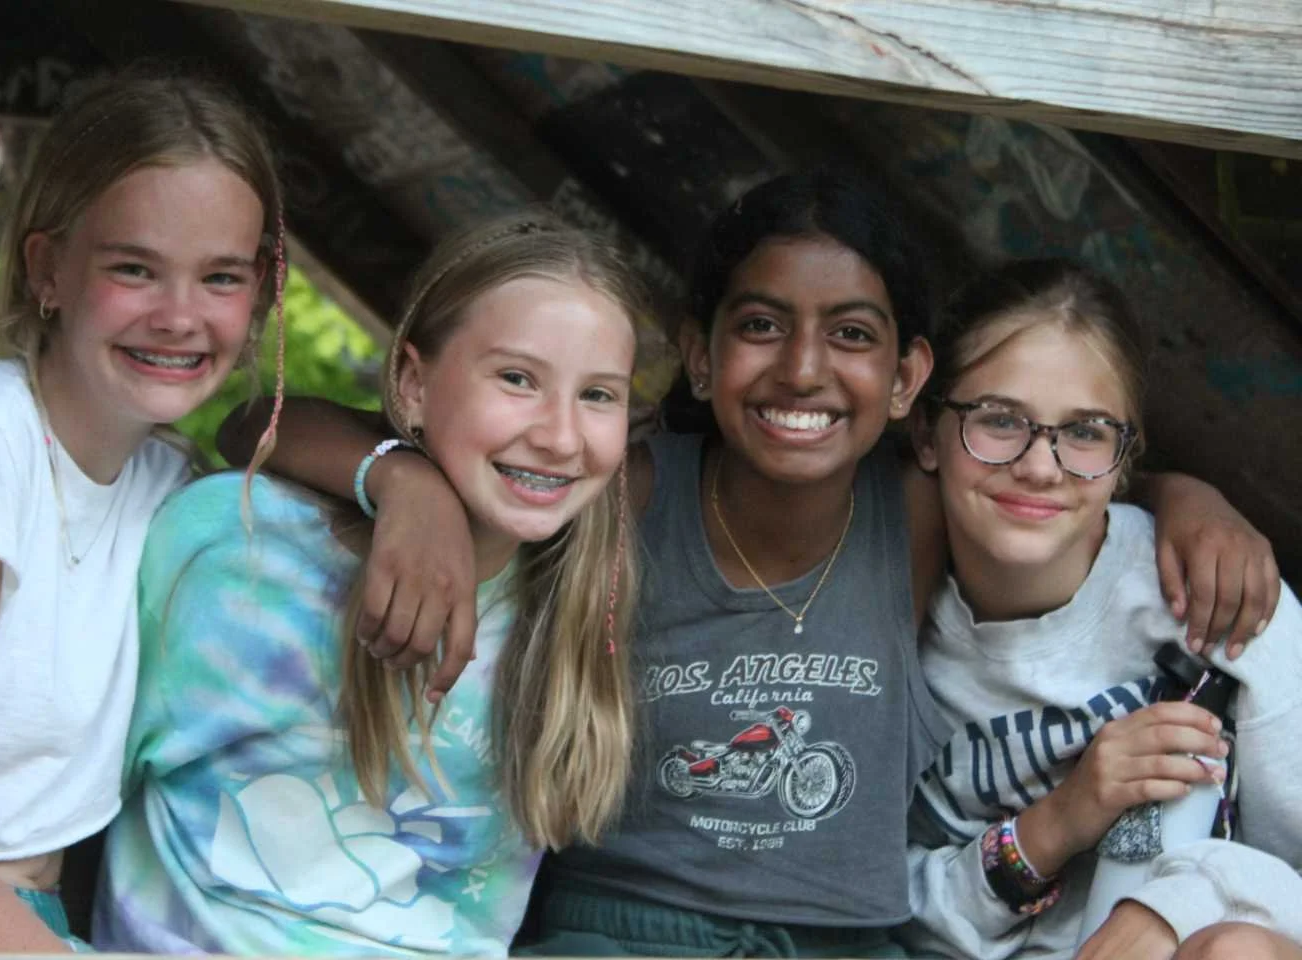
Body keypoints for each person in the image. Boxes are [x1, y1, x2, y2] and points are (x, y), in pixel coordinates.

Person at [219, 168, 1278, 958]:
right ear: (703, 350)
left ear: (910, 376)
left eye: (853, 335)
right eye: (763, 325)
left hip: (856, 945)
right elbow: (256, 425)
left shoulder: (911, 508)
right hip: (625, 934)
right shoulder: (625, 485)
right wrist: (405, 486)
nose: (804, 368)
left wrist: (1192, 496)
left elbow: (1057, 471)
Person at [91, 211, 645, 956]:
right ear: (413, 384)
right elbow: (66, 804)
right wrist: (403, 481)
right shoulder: (233, 547)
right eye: (517, 379)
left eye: (599, 395)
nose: (560, 435)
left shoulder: (573, 602)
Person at [0, 68, 285, 951]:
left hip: (33, 921)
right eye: (134, 268)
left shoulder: (164, 483)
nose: (179, 316)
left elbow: (285, 441)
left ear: (261, 295)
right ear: (47, 269)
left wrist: (399, 482)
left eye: (220, 277)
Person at [900, 259, 1302, 960]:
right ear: (926, 434)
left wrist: (1174, 908)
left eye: (1084, 432)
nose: (1040, 466)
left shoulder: (1215, 595)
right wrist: (1058, 821)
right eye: (1000, 420)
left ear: (1125, 456)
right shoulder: (891, 614)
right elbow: (874, 903)